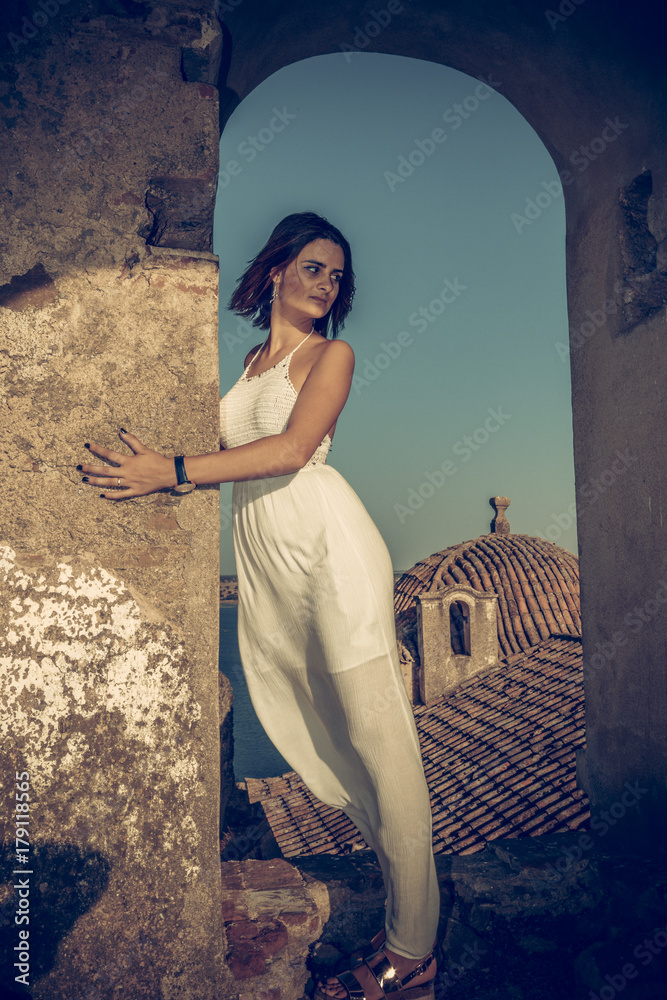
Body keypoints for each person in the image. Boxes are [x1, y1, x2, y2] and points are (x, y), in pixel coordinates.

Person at [78, 211, 440, 999]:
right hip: (274, 564)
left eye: (336, 274)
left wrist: (168, 468)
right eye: (313, 267)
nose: (327, 283)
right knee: (340, 740)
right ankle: (401, 917)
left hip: (329, 554)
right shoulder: (248, 364)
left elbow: (286, 451)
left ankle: (413, 951)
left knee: (384, 749)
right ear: (275, 270)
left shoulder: (331, 355)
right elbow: (237, 449)